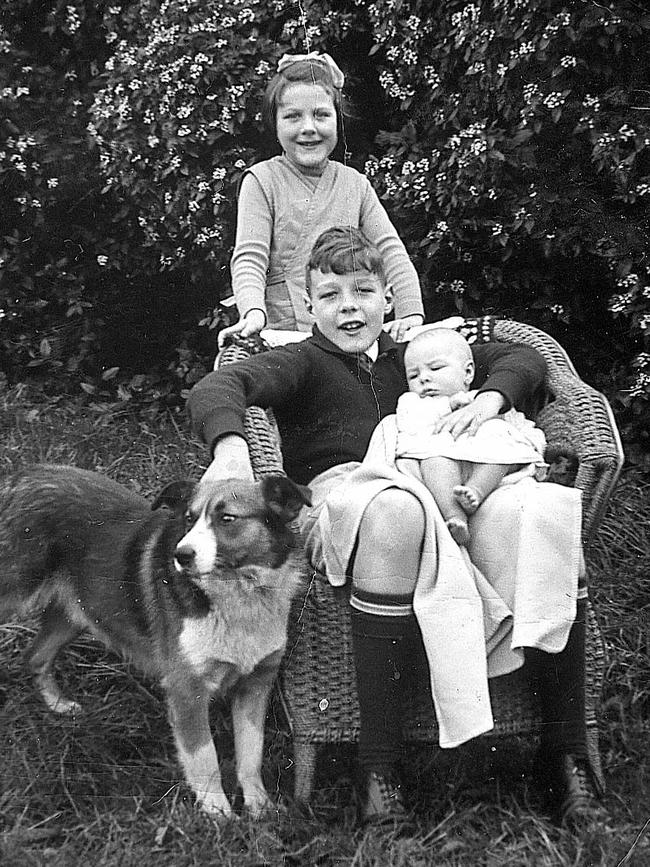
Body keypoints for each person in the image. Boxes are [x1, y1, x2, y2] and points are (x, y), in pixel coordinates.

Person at [189, 227, 603, 829]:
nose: (349, 306)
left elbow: (525, 359)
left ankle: (562, 751)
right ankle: (377, 767)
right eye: (330, 295)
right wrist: (230, 448)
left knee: (539, 510)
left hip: (446, 490)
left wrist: (488, 400)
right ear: (309, 306)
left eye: (363, 291)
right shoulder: (302, 361)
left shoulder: (415, 354)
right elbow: (222, 384)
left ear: (389, 298)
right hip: (349, 494)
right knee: (394, 510)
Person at [217, 51, 424, 347]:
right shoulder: (262, 181)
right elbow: (250, 257)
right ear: (274, 124)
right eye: (293, 117)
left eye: (321, 115)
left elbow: (390, 251)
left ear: (337, 120)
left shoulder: (355, 184)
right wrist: (252, 313)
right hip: (286, 336)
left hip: (348, 330)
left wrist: (410, 314)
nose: (308, 128)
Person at [376, 328, 548, 548]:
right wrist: (447, 405)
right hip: (442, 455)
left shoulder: (482, 397)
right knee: (435, 460)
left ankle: (475, 491)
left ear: (468, 373)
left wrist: (528, 440)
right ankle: (454, 514)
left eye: (436, 368)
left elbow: (519, 426)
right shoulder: (413, 401)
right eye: (413, 375)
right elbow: (409, 421)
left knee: (502, 447)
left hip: (483, 459)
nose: (424, 378)